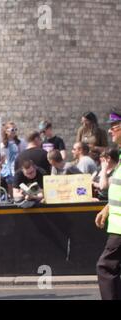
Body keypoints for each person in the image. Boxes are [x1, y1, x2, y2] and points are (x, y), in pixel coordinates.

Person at [95, 111, 121, 300]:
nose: (111, 131)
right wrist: (107, 208)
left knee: (105, 267)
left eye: (115, 127)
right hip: (116, 225)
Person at [0, 121, 27, 197]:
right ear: (6, 131)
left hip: (18, 166)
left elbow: (24, 154)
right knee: (10, 186)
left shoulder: (21, 142)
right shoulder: (2, 145)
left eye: (16, 129)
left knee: (19, 185)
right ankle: (11, 199)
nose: (14, 131)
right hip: (8, 168)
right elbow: (2, 158)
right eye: (12, 130)